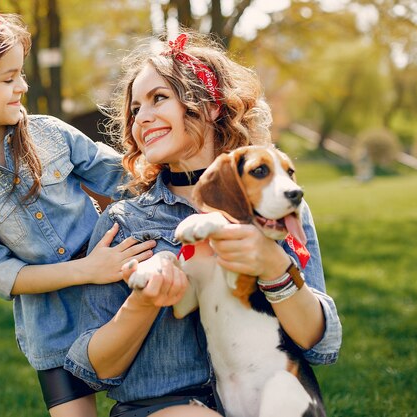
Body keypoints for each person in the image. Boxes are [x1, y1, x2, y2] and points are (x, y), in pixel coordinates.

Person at [65, 32, 342, 417]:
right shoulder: (127, 220)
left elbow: (318, 343)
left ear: (210, 106)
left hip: (270, 397)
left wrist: (273, 265)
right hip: (164, 407)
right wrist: (144, 301)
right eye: (134, 109)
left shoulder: (277, 202)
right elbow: (96, 369)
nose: (142, 118)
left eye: (159, 98)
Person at [0, 1, 155, 416]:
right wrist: (85, 269)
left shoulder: (50, 135)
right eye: (8, 78)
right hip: (52, 331)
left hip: (119, 301)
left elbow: (128, 178)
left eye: (21, 74)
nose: (23, 86)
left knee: (154, 404)